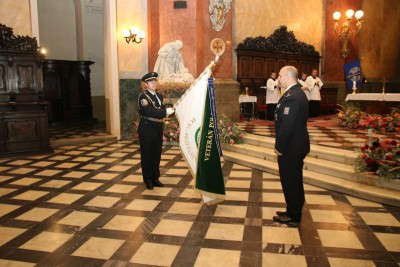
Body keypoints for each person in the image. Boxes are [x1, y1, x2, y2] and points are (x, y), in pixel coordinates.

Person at [273, 66, 310, 225]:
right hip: (294, 145)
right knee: (292, 180)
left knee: (291, 181)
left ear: (287, 77)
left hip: (291, 147)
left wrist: (279, 147)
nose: (278, 78)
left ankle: (294, 215)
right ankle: (291, 209)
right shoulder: (293, 92)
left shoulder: (293, 96)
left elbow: (287, 126)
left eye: (280, 75)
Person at [138, 72, 174, 190]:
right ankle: (148, 179)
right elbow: (148, 111)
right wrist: (165, 112)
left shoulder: (159, 96)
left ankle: (155, 178)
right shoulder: (143, 97)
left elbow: (160, 109)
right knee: (147, 155)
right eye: (151, 82)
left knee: (156, 155)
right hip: (147, 128)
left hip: (157, 128)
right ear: (146, 84)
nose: (154, 83)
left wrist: (167, 110)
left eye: (155, 81)